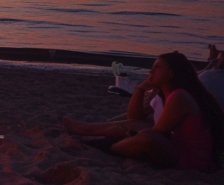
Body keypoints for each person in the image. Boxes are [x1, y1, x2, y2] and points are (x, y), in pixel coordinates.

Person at [89, 52, 223, 171]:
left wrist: (131, 134)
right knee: (135, 128)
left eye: (157, 67)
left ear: (171, 73)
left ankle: (106, 145)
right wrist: (140, 89)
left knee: (144, 135)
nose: (150, 72)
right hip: (179, 149)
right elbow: (135, 119)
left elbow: (156, 133)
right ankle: (84, 131)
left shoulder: (180, 96)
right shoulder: (168, 93)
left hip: (192, 160)